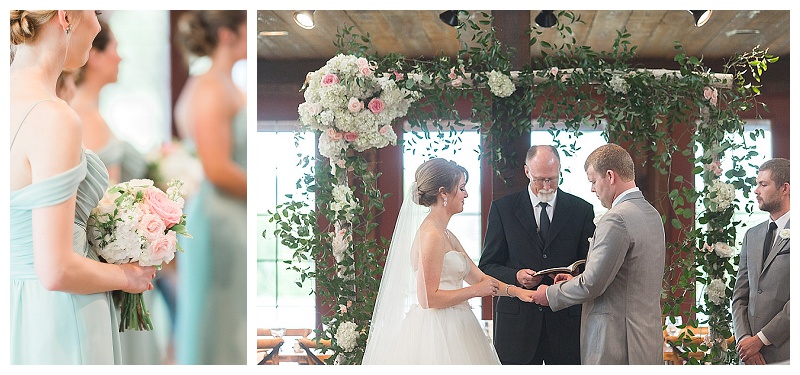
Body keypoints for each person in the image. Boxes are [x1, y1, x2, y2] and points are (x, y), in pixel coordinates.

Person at [10, 10, 155, 365]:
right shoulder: (53, 116)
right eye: (96, 11)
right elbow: (57, 268)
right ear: (66, 16)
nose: (98, 25)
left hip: (16, 307)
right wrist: (129, 276)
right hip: (61, 317)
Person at [362, 158, 537, 365]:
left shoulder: (446, 234)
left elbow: (478, 278)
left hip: (459, 323)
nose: (466, 194)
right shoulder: (432, 235)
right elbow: (428, 298)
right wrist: (476, 291)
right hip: (436, 331)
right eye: (462, 188)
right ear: (444, 192)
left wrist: (517, 292)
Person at [531, 143, 665, 365]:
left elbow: (592, 284)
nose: (592, 189)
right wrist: (575, 279)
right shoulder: (651, 214)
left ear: (610, 176)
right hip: (646, 340)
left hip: (616, 342)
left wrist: (551, 293)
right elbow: (624, 277)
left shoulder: (616, 219)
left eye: (593, 181)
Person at [172, 10, 248, 365]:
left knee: (233, 320)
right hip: (221, 218)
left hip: (233, 215)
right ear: (228, 35)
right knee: (219, 323)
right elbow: (216, 168)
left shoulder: (227, 84)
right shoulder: (211, 87)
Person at [479, 145, 595, 365]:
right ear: (527, 172)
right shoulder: (502, 210)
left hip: (565, 324)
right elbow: (487, 266)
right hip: (516, 327)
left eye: (552, 179)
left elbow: (590, 267)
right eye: (540, 179)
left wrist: (572, 279)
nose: (546, 185)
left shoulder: (582, 210)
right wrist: (516, 276)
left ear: (560, 170)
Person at [70, 19, 148, 186]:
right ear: (96, 57)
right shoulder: (84, 118)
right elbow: (106, 198)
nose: (121, 58)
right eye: (115, 48)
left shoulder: (90, 111)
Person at [732, 158, 790, 365]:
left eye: (763, 184)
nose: (756, 190)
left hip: (787, 356)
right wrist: (745, 341)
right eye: (757, 184)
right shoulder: (751, 235)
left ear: (785, 188)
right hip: (748, 357)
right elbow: (740, 295)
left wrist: (761, 339)